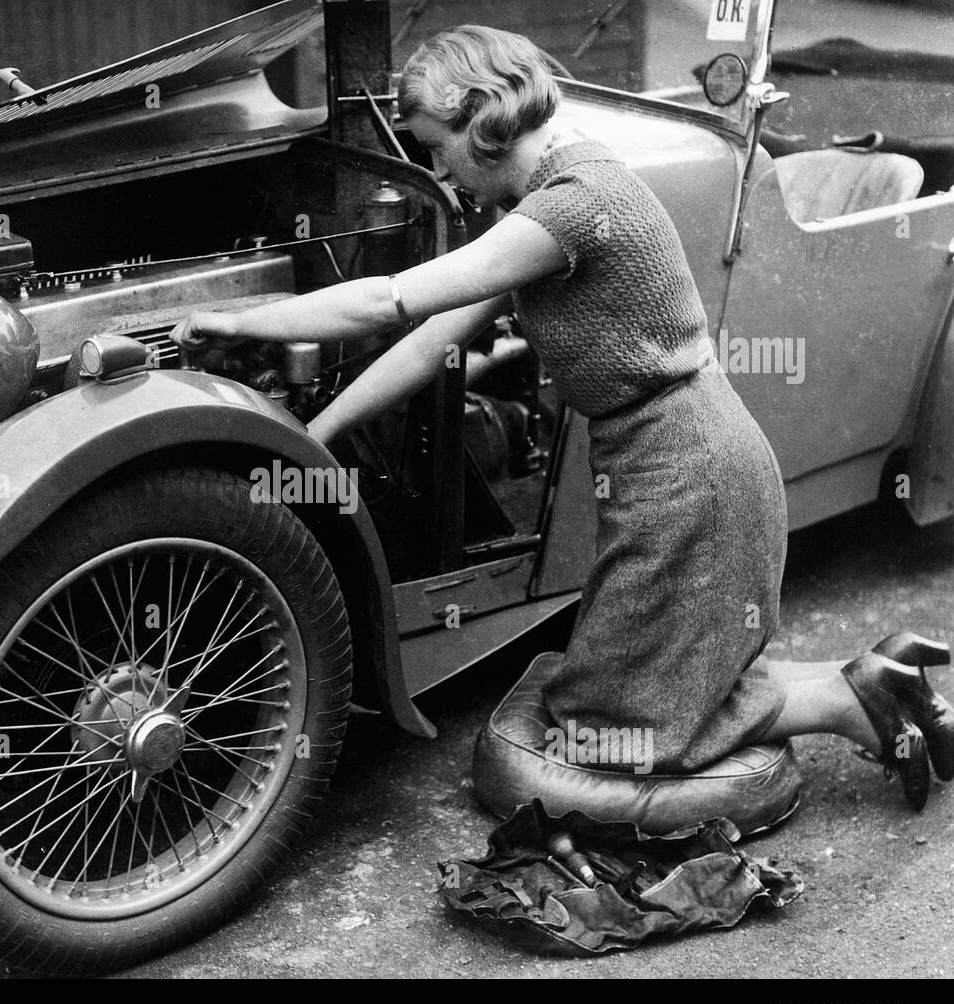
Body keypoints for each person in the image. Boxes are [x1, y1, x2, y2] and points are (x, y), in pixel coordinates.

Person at [171, 24, 954, 811]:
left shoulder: (573, 205)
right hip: (663, 469)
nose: (434, 169)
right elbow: (424, 346)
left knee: (622, 727)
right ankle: (871, 680)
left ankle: (851, 701)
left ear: (481, 120)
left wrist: (236, 321)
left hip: (691, 478)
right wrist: (319, 434)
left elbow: (389, 300)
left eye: (436, 147)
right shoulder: (545, 200)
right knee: (632, 690)